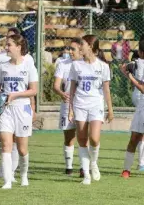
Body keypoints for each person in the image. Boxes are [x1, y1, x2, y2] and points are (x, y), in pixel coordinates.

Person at [0, 34, 38, 189]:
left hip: (22, 108)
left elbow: (33, 90)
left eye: (9, 45)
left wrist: (16, 94)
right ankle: (7, 181)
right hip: (6, 109)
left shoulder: (29, 66)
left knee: (22, 148)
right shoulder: (3, 66)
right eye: (6, 45)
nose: (6, 48)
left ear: (19, 47)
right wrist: (1, 96)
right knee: (6, 144)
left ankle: (24, 175)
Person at [68, 35, 114, 185]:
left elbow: (106, 90)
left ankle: (93, 162)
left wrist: (110, 109)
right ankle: (86, 174)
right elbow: (72, 88)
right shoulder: (76, 65)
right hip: (80, 104)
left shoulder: (103, 66)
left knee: (94, 138)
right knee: (82, 139)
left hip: (96, 105)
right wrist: (70, 109)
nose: (80, 47)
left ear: (91, 46)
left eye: (82, 44)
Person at [53, 38, 84, 176]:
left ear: (81, 50)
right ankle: (69, 167)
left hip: (83, 104)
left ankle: (84, 167)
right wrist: (61, 93)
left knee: (83, 136)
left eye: (73, 49)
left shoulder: (85, 64)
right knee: (69, 136)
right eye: (69, 49)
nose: (70, 52)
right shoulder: (63, 64)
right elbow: (56, 86)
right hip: (67, 104)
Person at [121, 40, 144, 178]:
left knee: (135, 138)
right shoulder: (140, 64)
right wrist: (127, 73)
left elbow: (142, 88)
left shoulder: (140, 64)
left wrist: (129, 75)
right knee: (136, 136)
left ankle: (127, 170)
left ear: (141, 53)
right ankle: (126, 170)